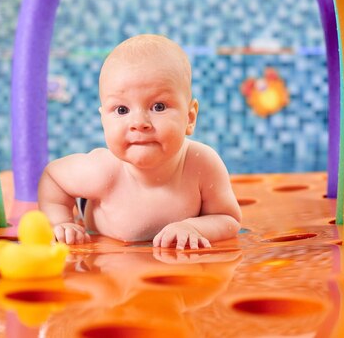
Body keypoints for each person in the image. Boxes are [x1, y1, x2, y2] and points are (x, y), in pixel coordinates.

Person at [38, 34, 241, 249]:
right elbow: (54, 177)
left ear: (189, 118)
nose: (139, 123)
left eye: (159, 107)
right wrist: (60, 222)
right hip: (109, 252)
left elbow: (228, 219)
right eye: (122, 110)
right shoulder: (101, 171)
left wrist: (194, 227)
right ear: (103, 121)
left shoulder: (202, 164)